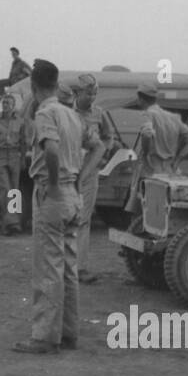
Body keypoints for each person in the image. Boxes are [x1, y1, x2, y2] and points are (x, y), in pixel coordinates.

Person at [12, 60, 88, 354]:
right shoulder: (71, 114)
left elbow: (52, 149)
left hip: (53, 194)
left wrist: (53, 187)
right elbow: (84, 149)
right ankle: (68, 332)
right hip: (73, 194)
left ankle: (44, 336)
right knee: (68, 267)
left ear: (33, 86)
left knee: (48, 268)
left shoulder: (45, 113)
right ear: (57, 84)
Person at [124, 82, 188, 223]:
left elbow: (147, 135)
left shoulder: (148, 115)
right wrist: (178, 159)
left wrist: (146, 152)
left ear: (141, 98)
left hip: (150, 169)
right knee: (166, 213)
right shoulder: (173, 118)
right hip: (170, 170)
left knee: (143, 214)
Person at [71, 73, 119, 281]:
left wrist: (103, 154)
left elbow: (108, 137)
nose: (92, 98)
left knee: (83, 219)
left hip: (89, 172)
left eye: (94, 94)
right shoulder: (66, 112)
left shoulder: (99, 114)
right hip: (67, 170)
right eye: (88, 93)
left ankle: (80, 268)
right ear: (77, 93)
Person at [0, 91, 29, 236]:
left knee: (14, 191)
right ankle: (13, 222)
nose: (5, 105)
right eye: (4, 103)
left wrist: (23, 158)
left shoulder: (20, 120)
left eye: (8, 103)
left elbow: (24, 141)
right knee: (4, 189)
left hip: (14, 156)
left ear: (13, 106)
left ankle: (10, 225)